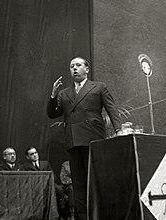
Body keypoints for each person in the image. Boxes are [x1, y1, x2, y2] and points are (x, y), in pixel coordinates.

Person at [47, 57, 122, 220]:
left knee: (94, 180)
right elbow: (53, 114)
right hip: (73, 141)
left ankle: (100, 214)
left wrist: (118, 130)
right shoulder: (64, 93)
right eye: (71, 66)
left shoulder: (99, 87)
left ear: (87, 69)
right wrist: (53, 96)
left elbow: (112, 110)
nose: (74, 68)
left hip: (93, 139)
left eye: (78, 65)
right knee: (79, 183)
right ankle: (82, 216)